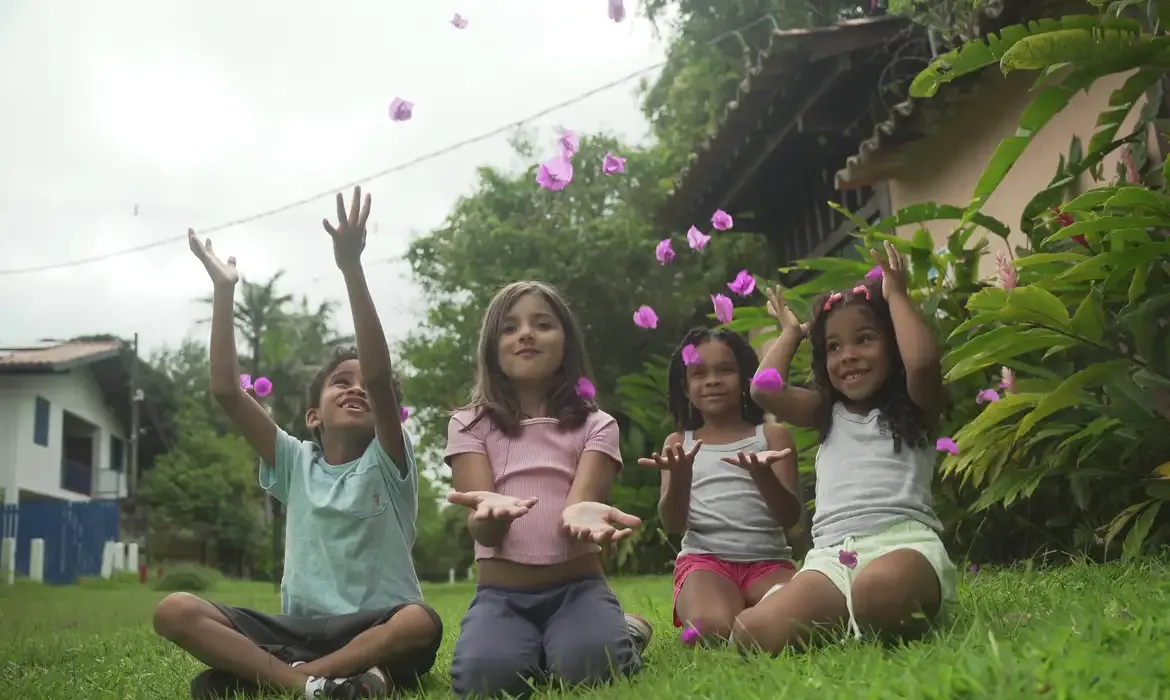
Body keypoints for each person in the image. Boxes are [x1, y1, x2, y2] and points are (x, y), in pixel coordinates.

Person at [153, 187, 442, 700]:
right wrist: (224, 291)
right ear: (313, 416)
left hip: (382, 623)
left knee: (420, 621)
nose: (356, 388)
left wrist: (351, 267)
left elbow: (380, 376)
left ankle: (285, 678)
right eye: (339, 382)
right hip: (300, 632)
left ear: (387, 414)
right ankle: (320, 685)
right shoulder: (293, 461)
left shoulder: (389, 462)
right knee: (174, 609)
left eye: (367, 387)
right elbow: (225, 389)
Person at [731, 242, 957, 654]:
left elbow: (923, 363)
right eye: (833, 347)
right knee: (751, 634)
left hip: (902, 545)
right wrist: (791, 334)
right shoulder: (827, 411)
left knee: (879, 594)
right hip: (831, 559)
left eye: (864, 340)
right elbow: (764, 391)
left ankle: (883, 604)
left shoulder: (916, 402)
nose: (848, 356)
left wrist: (897, 296)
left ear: (892, 345)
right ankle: (840, 612)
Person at [443, 280, 653, 699]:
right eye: (509, 327)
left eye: (542, 324)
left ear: (566, 344)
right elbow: (481, 528)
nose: (525, 334)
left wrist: (582, 515)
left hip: (577, 590)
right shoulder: (468, 425)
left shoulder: (597, 425)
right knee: (485, 681)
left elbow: (580, 504)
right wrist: (490, 519)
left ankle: (621, 630)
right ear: (491, 348)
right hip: (500, 595)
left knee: (594, 668)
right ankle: (537, 644)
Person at [638, 327, 803, 645]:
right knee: (707, 631)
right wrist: (681, 475)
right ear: (686, 388)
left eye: (725, 370)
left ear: (745, 379)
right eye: (699, 373)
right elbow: (672, 524)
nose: (712, 380)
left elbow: (791, 519)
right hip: (706, 562)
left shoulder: (772, 437)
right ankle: (732, 611)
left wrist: (763, 476)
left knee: (797, 623)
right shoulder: (678, 442)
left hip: (769, 563)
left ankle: (750, 615)